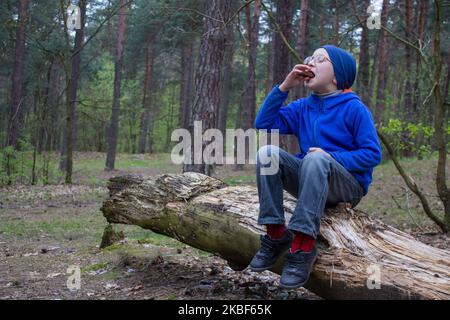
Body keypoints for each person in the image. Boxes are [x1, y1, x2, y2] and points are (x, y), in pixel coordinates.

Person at [249, 45, 382, 289]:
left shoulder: (354, 108)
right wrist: (285, 86)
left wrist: (331, 157)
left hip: (346, 189)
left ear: (336, 75)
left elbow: (373, 154)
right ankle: (276, 233)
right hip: (310, 181)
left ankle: (303, 246)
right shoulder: (302, 107)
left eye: (320, 59)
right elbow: (264, 123)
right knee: (267, 154)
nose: (310, 62)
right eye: (310, 58)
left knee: (316, 158)